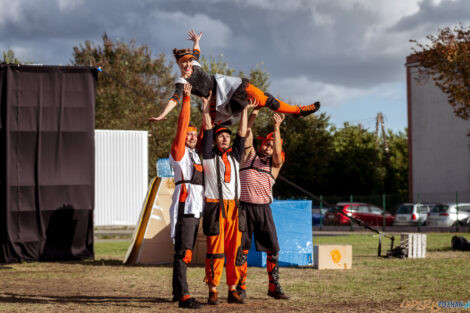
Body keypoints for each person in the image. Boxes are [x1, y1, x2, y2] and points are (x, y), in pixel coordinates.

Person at [150, 29, 320, 126]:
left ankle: (298, 111)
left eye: (189, 62)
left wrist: (196, 40)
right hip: (218, 102)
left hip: (229, 87)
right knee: (211, 128)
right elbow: (174, 99)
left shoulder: (194, 65)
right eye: (184, 63)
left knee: (265, 99)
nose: (188, 65)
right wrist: (162, 114)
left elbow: (196, 52)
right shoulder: (182, 81)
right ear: (179, 64)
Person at [200, 91, 255, 305]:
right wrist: (206, 107)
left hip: (235, 208)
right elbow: (206, 127)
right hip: (215, 208)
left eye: (227, 136)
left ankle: (233, 289)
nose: (225, 138)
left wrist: (244, 111)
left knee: (235, 251)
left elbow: (242, 133)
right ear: (214, 140)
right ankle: (213, 289)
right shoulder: (208, 155)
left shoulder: (234, 155)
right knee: (215, 251)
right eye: (221, 136)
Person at [235, 106, 290, 300]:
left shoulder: (275, 163)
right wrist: (254, 113)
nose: (267, 147)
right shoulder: (248, 156)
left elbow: (277, 152)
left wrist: (276, 127)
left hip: (263, 209)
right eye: (266, 143)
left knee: (273, 248)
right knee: (241, 249)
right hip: (243, 208)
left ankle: (273, 286)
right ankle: (240, 287)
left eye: (271, 144)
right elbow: (246, 134)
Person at [164, 83, 204, 309]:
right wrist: (187, 99)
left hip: (196, 206)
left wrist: (206, 106)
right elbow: (181, 126)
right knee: (184, 250)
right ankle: (185, 296)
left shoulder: (196, 154)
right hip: (185, 203)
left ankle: (176, 291)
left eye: (193, 134)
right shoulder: (178, 151)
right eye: (188, 134)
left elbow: (206, 135)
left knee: (183, 247)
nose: (190, 136)